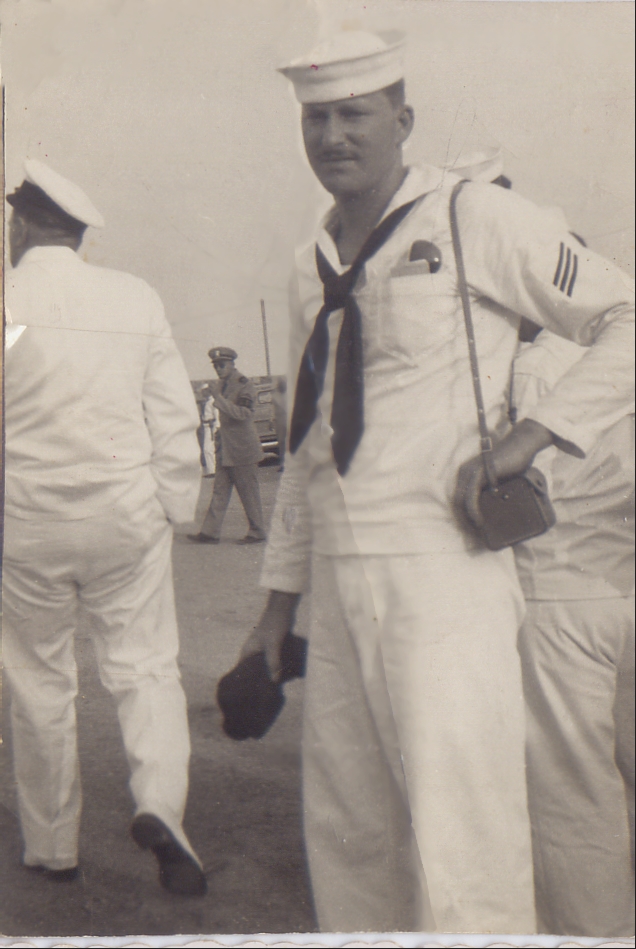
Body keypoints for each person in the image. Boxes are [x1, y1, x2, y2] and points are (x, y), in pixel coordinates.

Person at [237, 31, 635, 934]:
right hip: (339, 583)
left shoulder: (472, 216)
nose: (333, 135)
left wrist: (531, 436)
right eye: (315, 118)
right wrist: (275, 611)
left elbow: (624, 316)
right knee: (351, 837)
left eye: (354, 114)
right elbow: (306, 449)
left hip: (445, 577)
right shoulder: (310, 263)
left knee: (464, 840)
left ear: (403, 120)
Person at [3, 160, 207, 897]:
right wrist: (172, 506)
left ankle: (52, 845)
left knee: (39, 680)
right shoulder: (133, 296)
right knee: (145, 667)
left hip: (27, 519)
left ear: (23, 223)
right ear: (79, 234)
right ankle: (160, 804)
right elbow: (174, 415)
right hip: (125, 516)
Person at [512, 326, 635, 937]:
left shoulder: (532, 368)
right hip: (624, 587)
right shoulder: (621, 359)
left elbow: (518, 491)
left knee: (575, 800)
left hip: (559, 596)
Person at [188, 347, 266, 545]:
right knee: (219, 492)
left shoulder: (244, 385)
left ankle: (257, 532)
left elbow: (244, 414)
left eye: (222, 365)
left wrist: (219, 399)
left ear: (232, 364)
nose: (218, 369)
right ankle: (210, 533)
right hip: (226, 450)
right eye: (215, 366)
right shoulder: (221, 384)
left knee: (248, 494)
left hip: (243, 449)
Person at [272, 376, 288, 471]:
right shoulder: (275, 395)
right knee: (282, 443)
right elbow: (273, 409)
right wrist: (272, 419)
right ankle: (283, 464)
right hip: (280, 421)